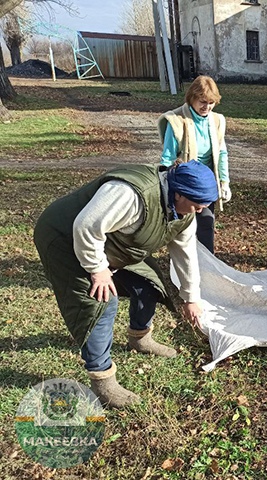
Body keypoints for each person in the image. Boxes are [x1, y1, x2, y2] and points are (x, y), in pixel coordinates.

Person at [33, 161, 217, 408]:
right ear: (179, 192)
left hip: (115, 244)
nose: (199, 211)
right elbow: (86, 227)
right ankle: (103, 381)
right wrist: (98, 270)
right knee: (101, 301)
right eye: (197, 205)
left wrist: (190, 297)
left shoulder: (184, 214)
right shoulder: (131, 195)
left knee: (149, 283)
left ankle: (140, 338)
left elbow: (185, 255)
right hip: (64, 237)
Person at [158, 75, 231, 254]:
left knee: (206, 221)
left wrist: (224, 181)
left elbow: (221, 152)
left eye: (211, 102)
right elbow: (167, 158)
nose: (207, 107)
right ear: (192, 98)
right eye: (202, 101)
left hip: (205, 183)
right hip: (184, 184)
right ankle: (182, 264)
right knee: (183, 226)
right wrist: (167, 190)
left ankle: (207, 263)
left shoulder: (217, 121)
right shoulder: (176, 121)